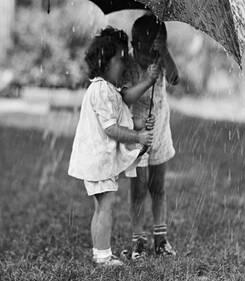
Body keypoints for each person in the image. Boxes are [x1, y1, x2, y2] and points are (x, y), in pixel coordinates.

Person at [68, 27, 160, 267]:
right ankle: (103, 256)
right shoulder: (101, 90)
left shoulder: (109, 90)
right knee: (105, 207)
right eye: (120, 59)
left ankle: (100, 253)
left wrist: (140, 124)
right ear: (104, 62)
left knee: (101, 207)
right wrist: (139, 137)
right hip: (99, 160)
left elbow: (122, 119)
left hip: (100, 160)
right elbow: (111, 129)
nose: (125, 63)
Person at [121, 14, 179, 260]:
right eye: (144, 51)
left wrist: (164, 53)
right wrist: (147, 80)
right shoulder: (129, 66)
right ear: (134, 45)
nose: (148, 57)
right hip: (137, 135)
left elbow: (175, 78)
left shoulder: (160, 61)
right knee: (139, 188)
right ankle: (138, 240)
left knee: (158, 187)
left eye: (154, 49)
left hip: (160, 133)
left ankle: (161, 238)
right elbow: (126, 98)